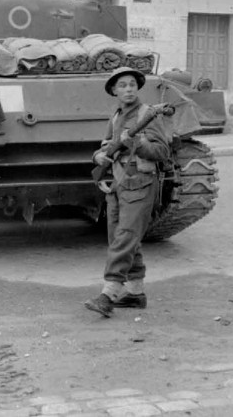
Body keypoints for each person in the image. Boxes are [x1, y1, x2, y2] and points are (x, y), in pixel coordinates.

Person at [85, 67, 170, 318]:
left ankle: (108, 293)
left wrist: (139, 144)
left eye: (132, 84)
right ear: (114, 91)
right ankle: (135, 293)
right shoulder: (117, 116)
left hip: (141, 183)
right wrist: (98, 156)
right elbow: (107, 146)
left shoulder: (148, 115)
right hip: (118, 184)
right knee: (119, 238)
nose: (128, 89)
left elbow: (162, 153)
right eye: (122, 85)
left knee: (125, 237)